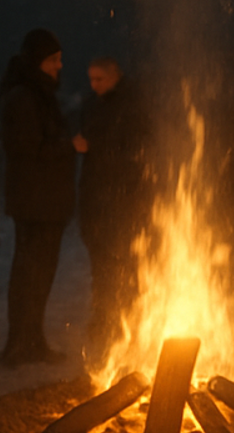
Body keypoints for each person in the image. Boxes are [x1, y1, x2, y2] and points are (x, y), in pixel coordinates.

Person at [0, 28, 77, 367]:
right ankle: (19, 344)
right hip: (35, 203)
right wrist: (71, 146)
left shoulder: (39, 94)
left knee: (40, 274)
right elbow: (28, 149)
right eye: (53, 60)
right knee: (29, 274)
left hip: (46, 202)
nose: (59, 66)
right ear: (37, 61)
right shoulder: (24, 97)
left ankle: (33, 340)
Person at [73, 57, 153, 357]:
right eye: (91, 80)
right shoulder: (95, 105)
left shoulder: (132, 105)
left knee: (127, 270)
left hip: (124, 202)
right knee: (103, 272)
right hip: (98, 200)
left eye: (99, 80)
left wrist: (95, 146)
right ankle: (105, 327)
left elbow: (133, 148)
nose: (94, 86)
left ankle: (130, 327)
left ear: (114, 76)